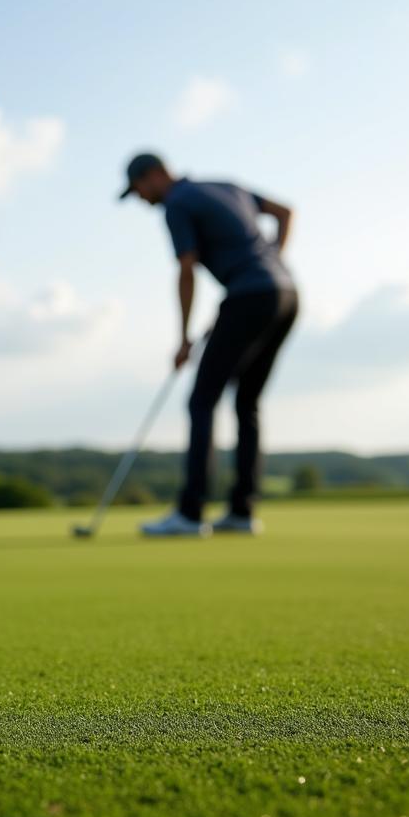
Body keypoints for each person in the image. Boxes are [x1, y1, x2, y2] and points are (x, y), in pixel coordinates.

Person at [119, 152, 298, 536]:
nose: (141, 199)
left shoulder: (177, 204)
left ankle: (190, 513)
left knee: (202, 401)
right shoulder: (225, 185)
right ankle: (242, 512)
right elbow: (285, 212)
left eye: (139, 190)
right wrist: (271, 260)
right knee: (246, 402)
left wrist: (183, 339)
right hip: (284, 294)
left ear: (155, 176)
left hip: (250, 296)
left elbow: (186, 268)